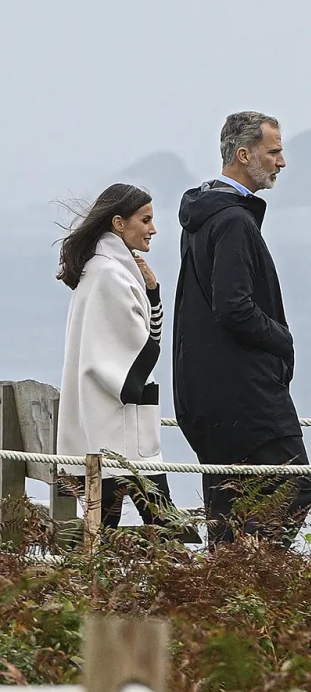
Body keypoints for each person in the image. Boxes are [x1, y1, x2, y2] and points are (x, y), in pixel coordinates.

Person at [173, 111, 311, 547]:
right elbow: (233, 308)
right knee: (294, 488)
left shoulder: (204, 215)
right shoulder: (232, 220)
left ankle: (223, 602)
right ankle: (252, 583)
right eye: (273, 152)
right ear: (243, 154)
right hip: (243, 391)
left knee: (227, 504)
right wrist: (282, 339)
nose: (281, 162)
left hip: (204, 389)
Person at [56, 184, 176, 529]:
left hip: (101, 426)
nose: (153, 229)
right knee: (166, 531)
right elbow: (145, 350)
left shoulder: (98, 269)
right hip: (121, 428)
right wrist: (152, 300)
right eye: (146, 219)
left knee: (102, 537)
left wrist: (152, 295)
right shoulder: (111, 274)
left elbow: (138, 343)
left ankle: (90, 586)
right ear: (119, 223)